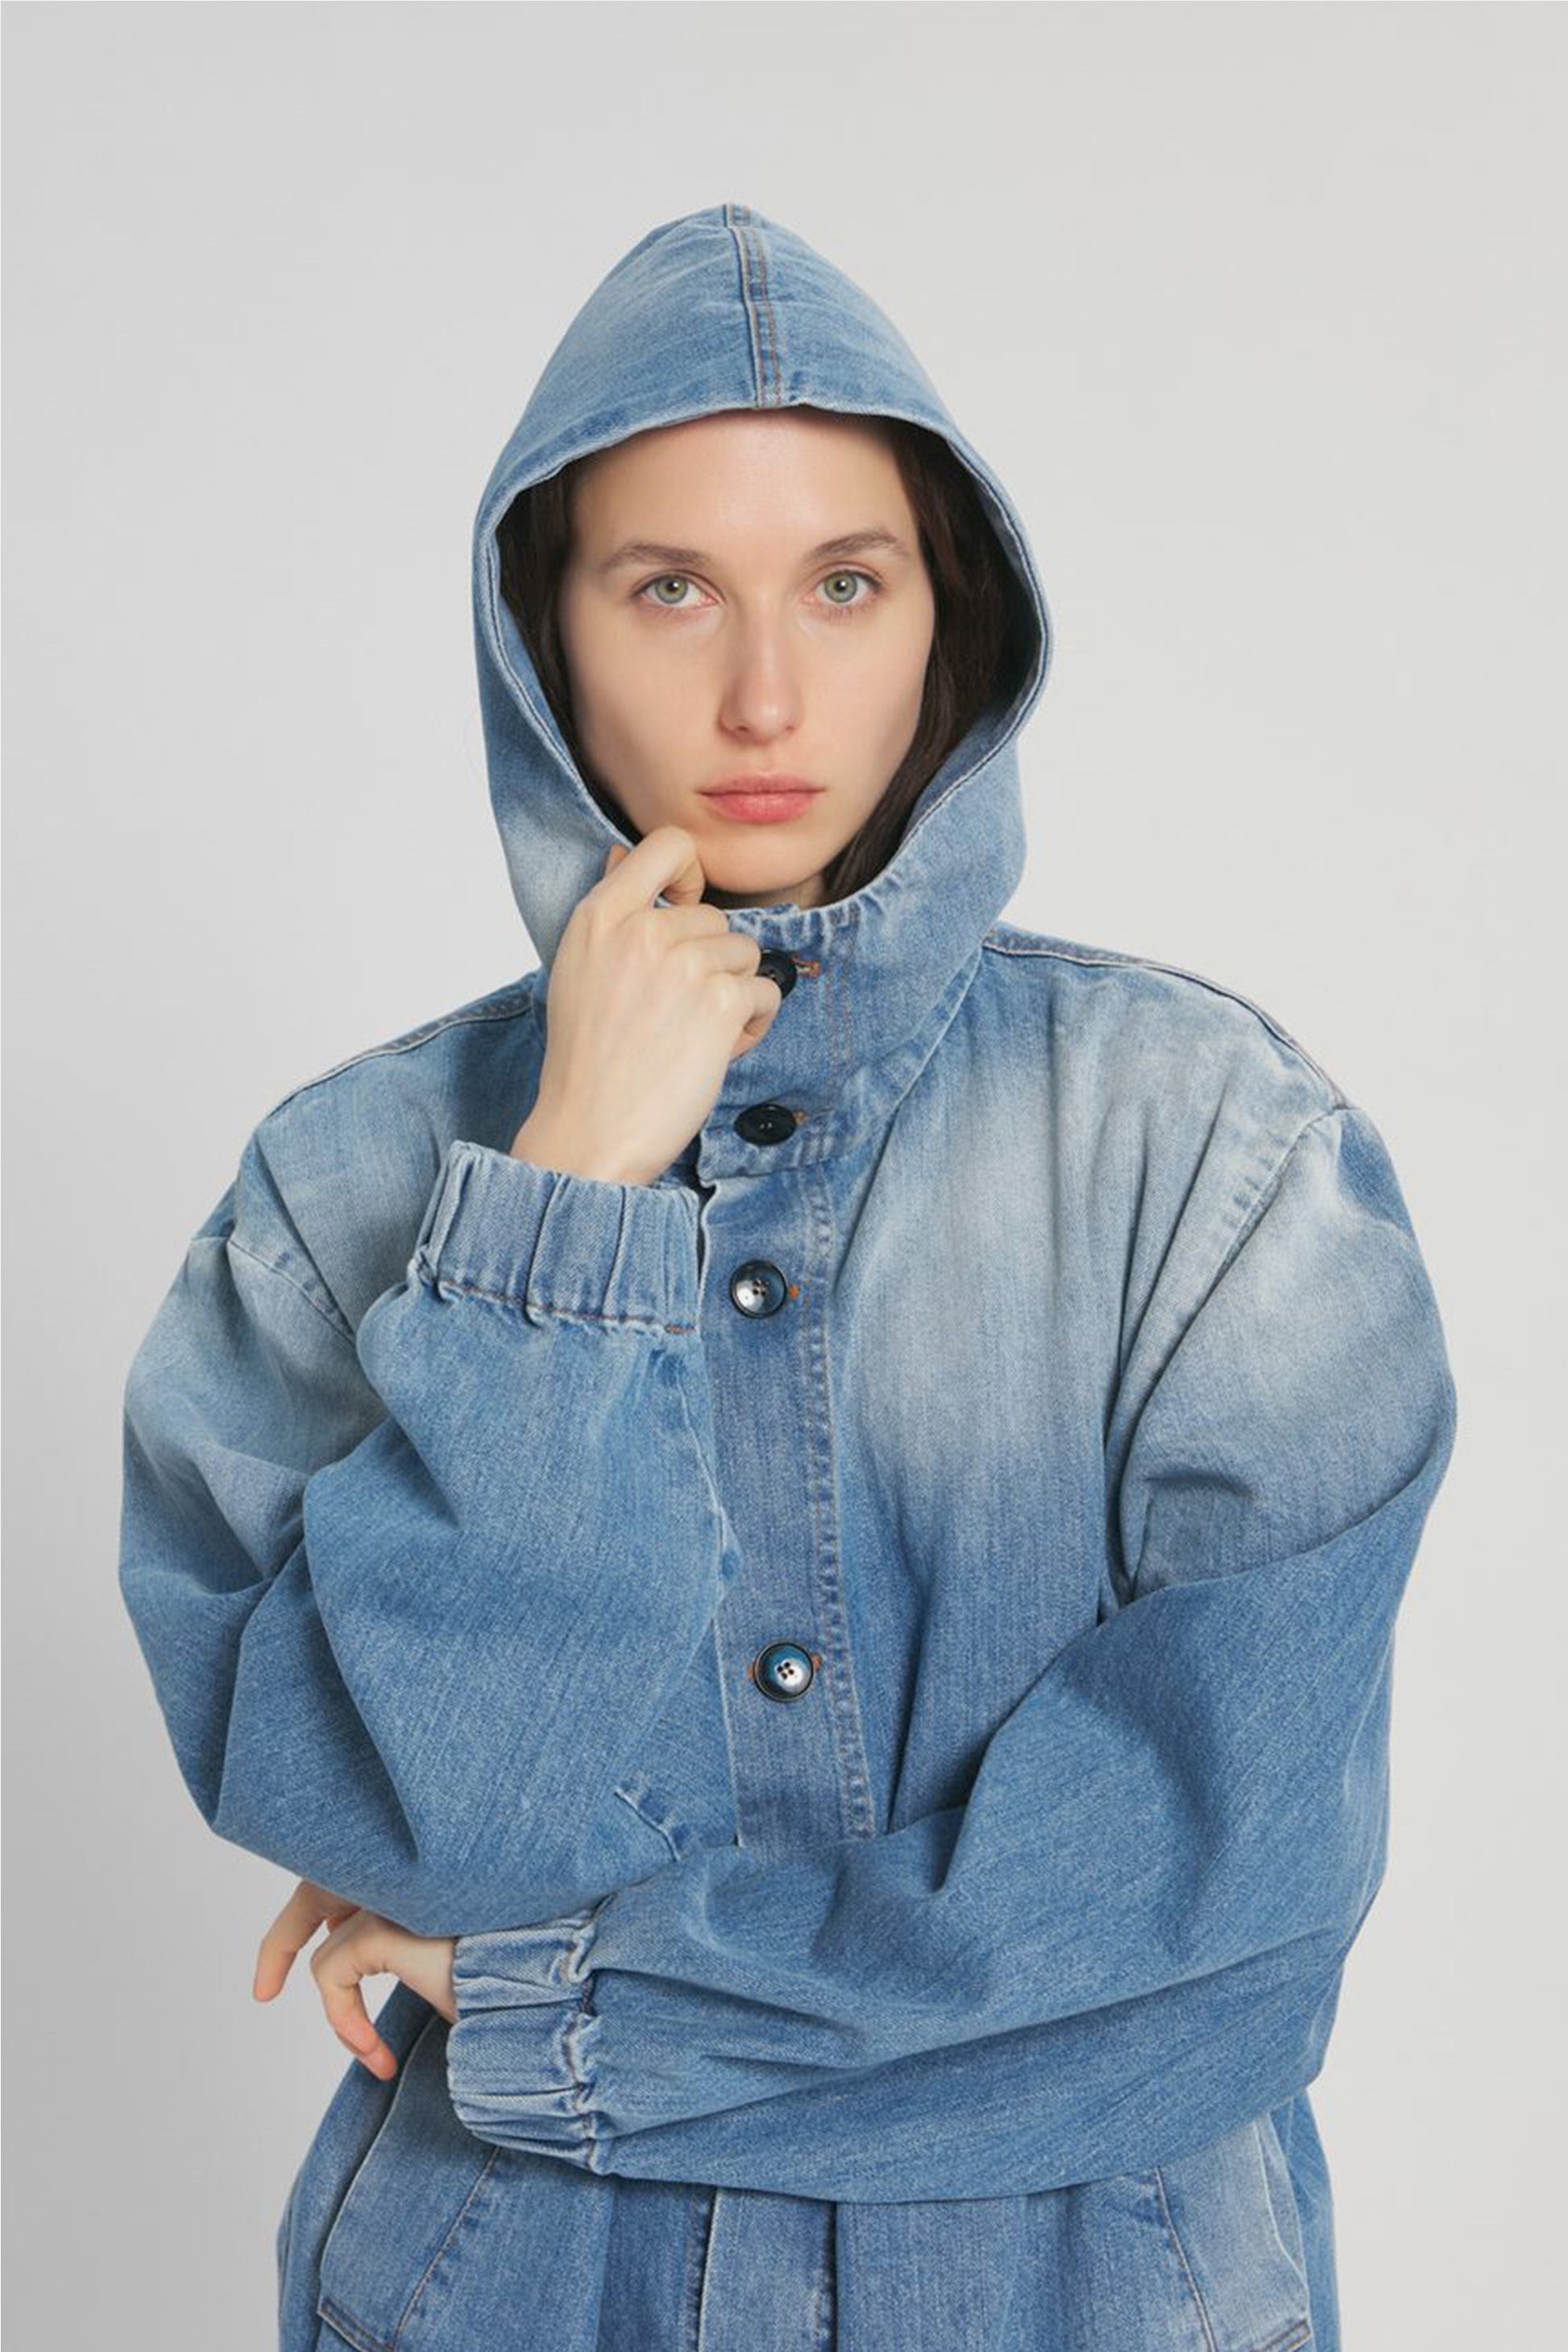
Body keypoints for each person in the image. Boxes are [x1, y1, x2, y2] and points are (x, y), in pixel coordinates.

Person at [117, 201, 1458, 2352]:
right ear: (541, 632)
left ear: (949, 620)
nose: (765, 693)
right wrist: (565, 1200)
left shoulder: (1216, 1156)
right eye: (669, 588)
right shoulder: (340, 1187)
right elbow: (418, 1824)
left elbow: (1213, 1923)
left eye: (845, 584)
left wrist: (575, 2016)